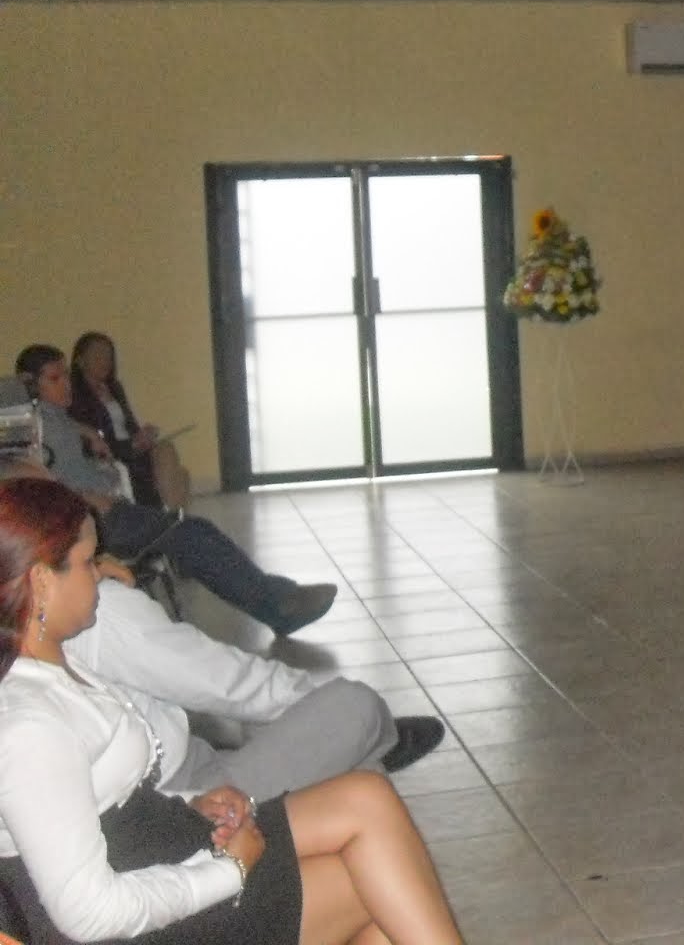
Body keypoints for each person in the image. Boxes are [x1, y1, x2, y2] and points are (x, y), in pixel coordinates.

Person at [0, 476, 465, 945]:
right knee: (378, 879)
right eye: (86, 563)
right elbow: (90, 915)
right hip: (138, 915)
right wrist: (229, 870)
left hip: (161, 844)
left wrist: (191, 806)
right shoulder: (28, 724)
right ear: (41, 581)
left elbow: (106, 803)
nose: (103, 573)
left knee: (369, 807)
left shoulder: (51, 670)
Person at [15, 345, 336, 637]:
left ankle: (278, 601)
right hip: (96, 518)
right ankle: (278, 605)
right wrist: (83, 496)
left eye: (66, 376)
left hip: (111, 505)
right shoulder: (31, 426)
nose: (66, 385)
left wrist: (85, 433)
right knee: (191, 534)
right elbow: (36, 482)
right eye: (55, 379)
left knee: (192, 530)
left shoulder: (56, 417)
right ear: (29, 383)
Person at [67, 566, 446, 800]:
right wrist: (316, 711)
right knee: (354, 708)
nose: (103, 566)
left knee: (365, 788)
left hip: (170, 783)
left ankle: (359, 756)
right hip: (184, 802)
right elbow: (221, 681)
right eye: (87, 556)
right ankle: (375, 743)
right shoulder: (98, 613)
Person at [69, 331, 191, 510]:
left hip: (133, 448)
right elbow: (92, 437)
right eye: (97, 355)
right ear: (80, 361)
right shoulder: (75, 395)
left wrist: (143, 435)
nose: (104, 361)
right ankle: (170, 518)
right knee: (170, 471)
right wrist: (131, 445)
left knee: (169, 453)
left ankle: (171, 517)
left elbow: (129, 424)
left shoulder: (114, 388)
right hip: (112, 452)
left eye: (108, 356)